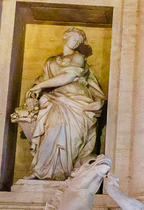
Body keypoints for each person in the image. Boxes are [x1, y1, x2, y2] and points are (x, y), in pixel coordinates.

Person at [19, 28, 106, 181]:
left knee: (69, 134)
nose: (76, 42)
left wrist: (40, 86)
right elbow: (42, 80)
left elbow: (69, 76)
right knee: (53, 127)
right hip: (55, 99)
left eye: (79, 41)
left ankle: (64, 172)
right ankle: (41, 170)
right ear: (65, 38)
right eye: (74, 38)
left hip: (77, 101)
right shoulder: (51, 61)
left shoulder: (78, 57)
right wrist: (35, 90)